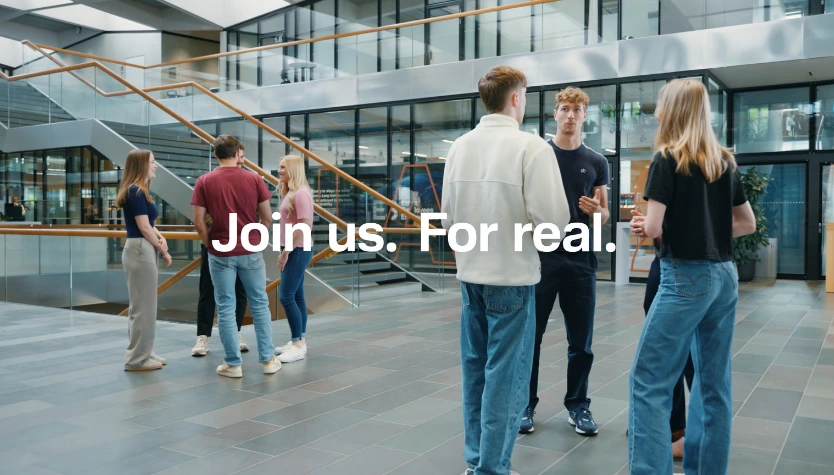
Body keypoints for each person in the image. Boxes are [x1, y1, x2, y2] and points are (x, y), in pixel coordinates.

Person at [441, 65, 570, 475]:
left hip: (470, 278)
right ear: (516, 98)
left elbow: (447, 218)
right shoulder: (531, 148)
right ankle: (492, 469)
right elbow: (552, 226)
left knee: (475, 371)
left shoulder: (460, 146)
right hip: (512, 280)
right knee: (506, 377)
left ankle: (477, 461)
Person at [627, 79, 756, 475]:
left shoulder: (666, 159)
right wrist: (707, 232)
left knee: (649, 380)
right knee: (713, 385)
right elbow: (746, 223)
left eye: (662, 105)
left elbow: (652, 226)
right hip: (724, 276)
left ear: (674, 110)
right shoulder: (722, 161)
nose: (658, 112)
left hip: (685, 277)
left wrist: (643, 225)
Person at [521, 86, 609, 437]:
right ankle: (525, 405)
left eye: (577, 110)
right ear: (555, 114)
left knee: (581, 342)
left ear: (585, 116)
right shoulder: (537, 155)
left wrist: (597, 211)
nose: (571, 115)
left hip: (580, 263)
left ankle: (578, 406)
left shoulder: (597, 162)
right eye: (565, 109)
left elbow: (604, 216)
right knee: (531, 338)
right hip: (540, 261)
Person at [191, 134, 281, 378]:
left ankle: (233, 364)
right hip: (250, 250)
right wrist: (255, 238)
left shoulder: (204, 181)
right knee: (260, 303)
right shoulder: (254, 179)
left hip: (220, 251)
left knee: (226, 306)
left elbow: (199, 221)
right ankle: (268, 360)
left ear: (216, 154)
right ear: (238, 153)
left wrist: (210, 244)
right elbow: (266, 218)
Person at [627, 229, 695, 459]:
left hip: (679, 265)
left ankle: (688, 435)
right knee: (678, 354)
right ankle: (676, 427)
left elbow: (659, 227)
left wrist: (651, 227)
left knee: (673, 354)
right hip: (673, 262)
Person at [117, 149, 172, 371]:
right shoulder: (136, 191)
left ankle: (144, 352)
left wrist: (160, 237)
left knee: (145, 306)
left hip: (142, 247)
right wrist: (164, 249)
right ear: (141, 165)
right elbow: (143, 226)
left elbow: (148, 224)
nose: (155, 165)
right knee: (142, 307)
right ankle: (136, 359)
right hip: (140, 249)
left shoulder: (139, 191)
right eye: (152, 162)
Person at [192, 148, 250, 357]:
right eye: (240, 156)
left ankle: (235, 332)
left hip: (241, 243)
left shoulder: (248, 181)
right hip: (216, 242)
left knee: (239, 291)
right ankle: (203, 336)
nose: (241, 161)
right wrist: (210, 243)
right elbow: (202, 217)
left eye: (243, 157)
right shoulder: (210, 181)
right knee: (208, 289)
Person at [273, 155, 314, 363]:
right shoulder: (291, 192)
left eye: (282, 167)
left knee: (286, 296)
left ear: (293, 169)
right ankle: (299, 340)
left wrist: (286, 252)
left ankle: (298, 344)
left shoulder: (300, 194)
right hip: (294, 248)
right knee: (297, 296)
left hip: (297, 249)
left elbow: (303, 226)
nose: (279, 170)